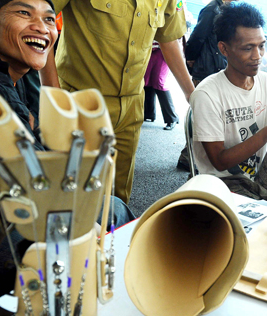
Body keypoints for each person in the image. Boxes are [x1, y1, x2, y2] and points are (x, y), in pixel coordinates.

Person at [0, 0, 134, 290]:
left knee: (112, 209)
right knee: (73, 249)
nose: (41, 27)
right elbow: (41, 182)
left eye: (49, 19)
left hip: (15, 211)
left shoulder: (21, 74)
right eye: (23, 13)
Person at [48, 0, 195, 204]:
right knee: (73, 195)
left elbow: (169, 40)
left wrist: (193, 96)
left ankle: (111, 235)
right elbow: (40, 21)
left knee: (117, 195)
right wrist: (53, 96)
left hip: (131, 107)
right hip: (79, 101)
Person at [190, 2, 267, 200]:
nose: (258, 56)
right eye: (248, 48)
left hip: (253, 180)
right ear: (224, 49)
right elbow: (220, 162)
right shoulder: (207, 94)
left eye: (261, 46)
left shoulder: (266, 82)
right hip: (219, 184)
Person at [177, 0, 236, 172]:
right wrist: (190, 59)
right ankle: (189, 157)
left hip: (215, 67)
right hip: (206, 69)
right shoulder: (212, 9)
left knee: (208, 117)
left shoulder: (224, 9)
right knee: (201, 116)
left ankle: (190, 157)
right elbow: (197, 37)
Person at [144, 41, 179, 130]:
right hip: (147, 49)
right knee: (146, 80)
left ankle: (172, 118)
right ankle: (148, 113)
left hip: (164, 49)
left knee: (159, 81)